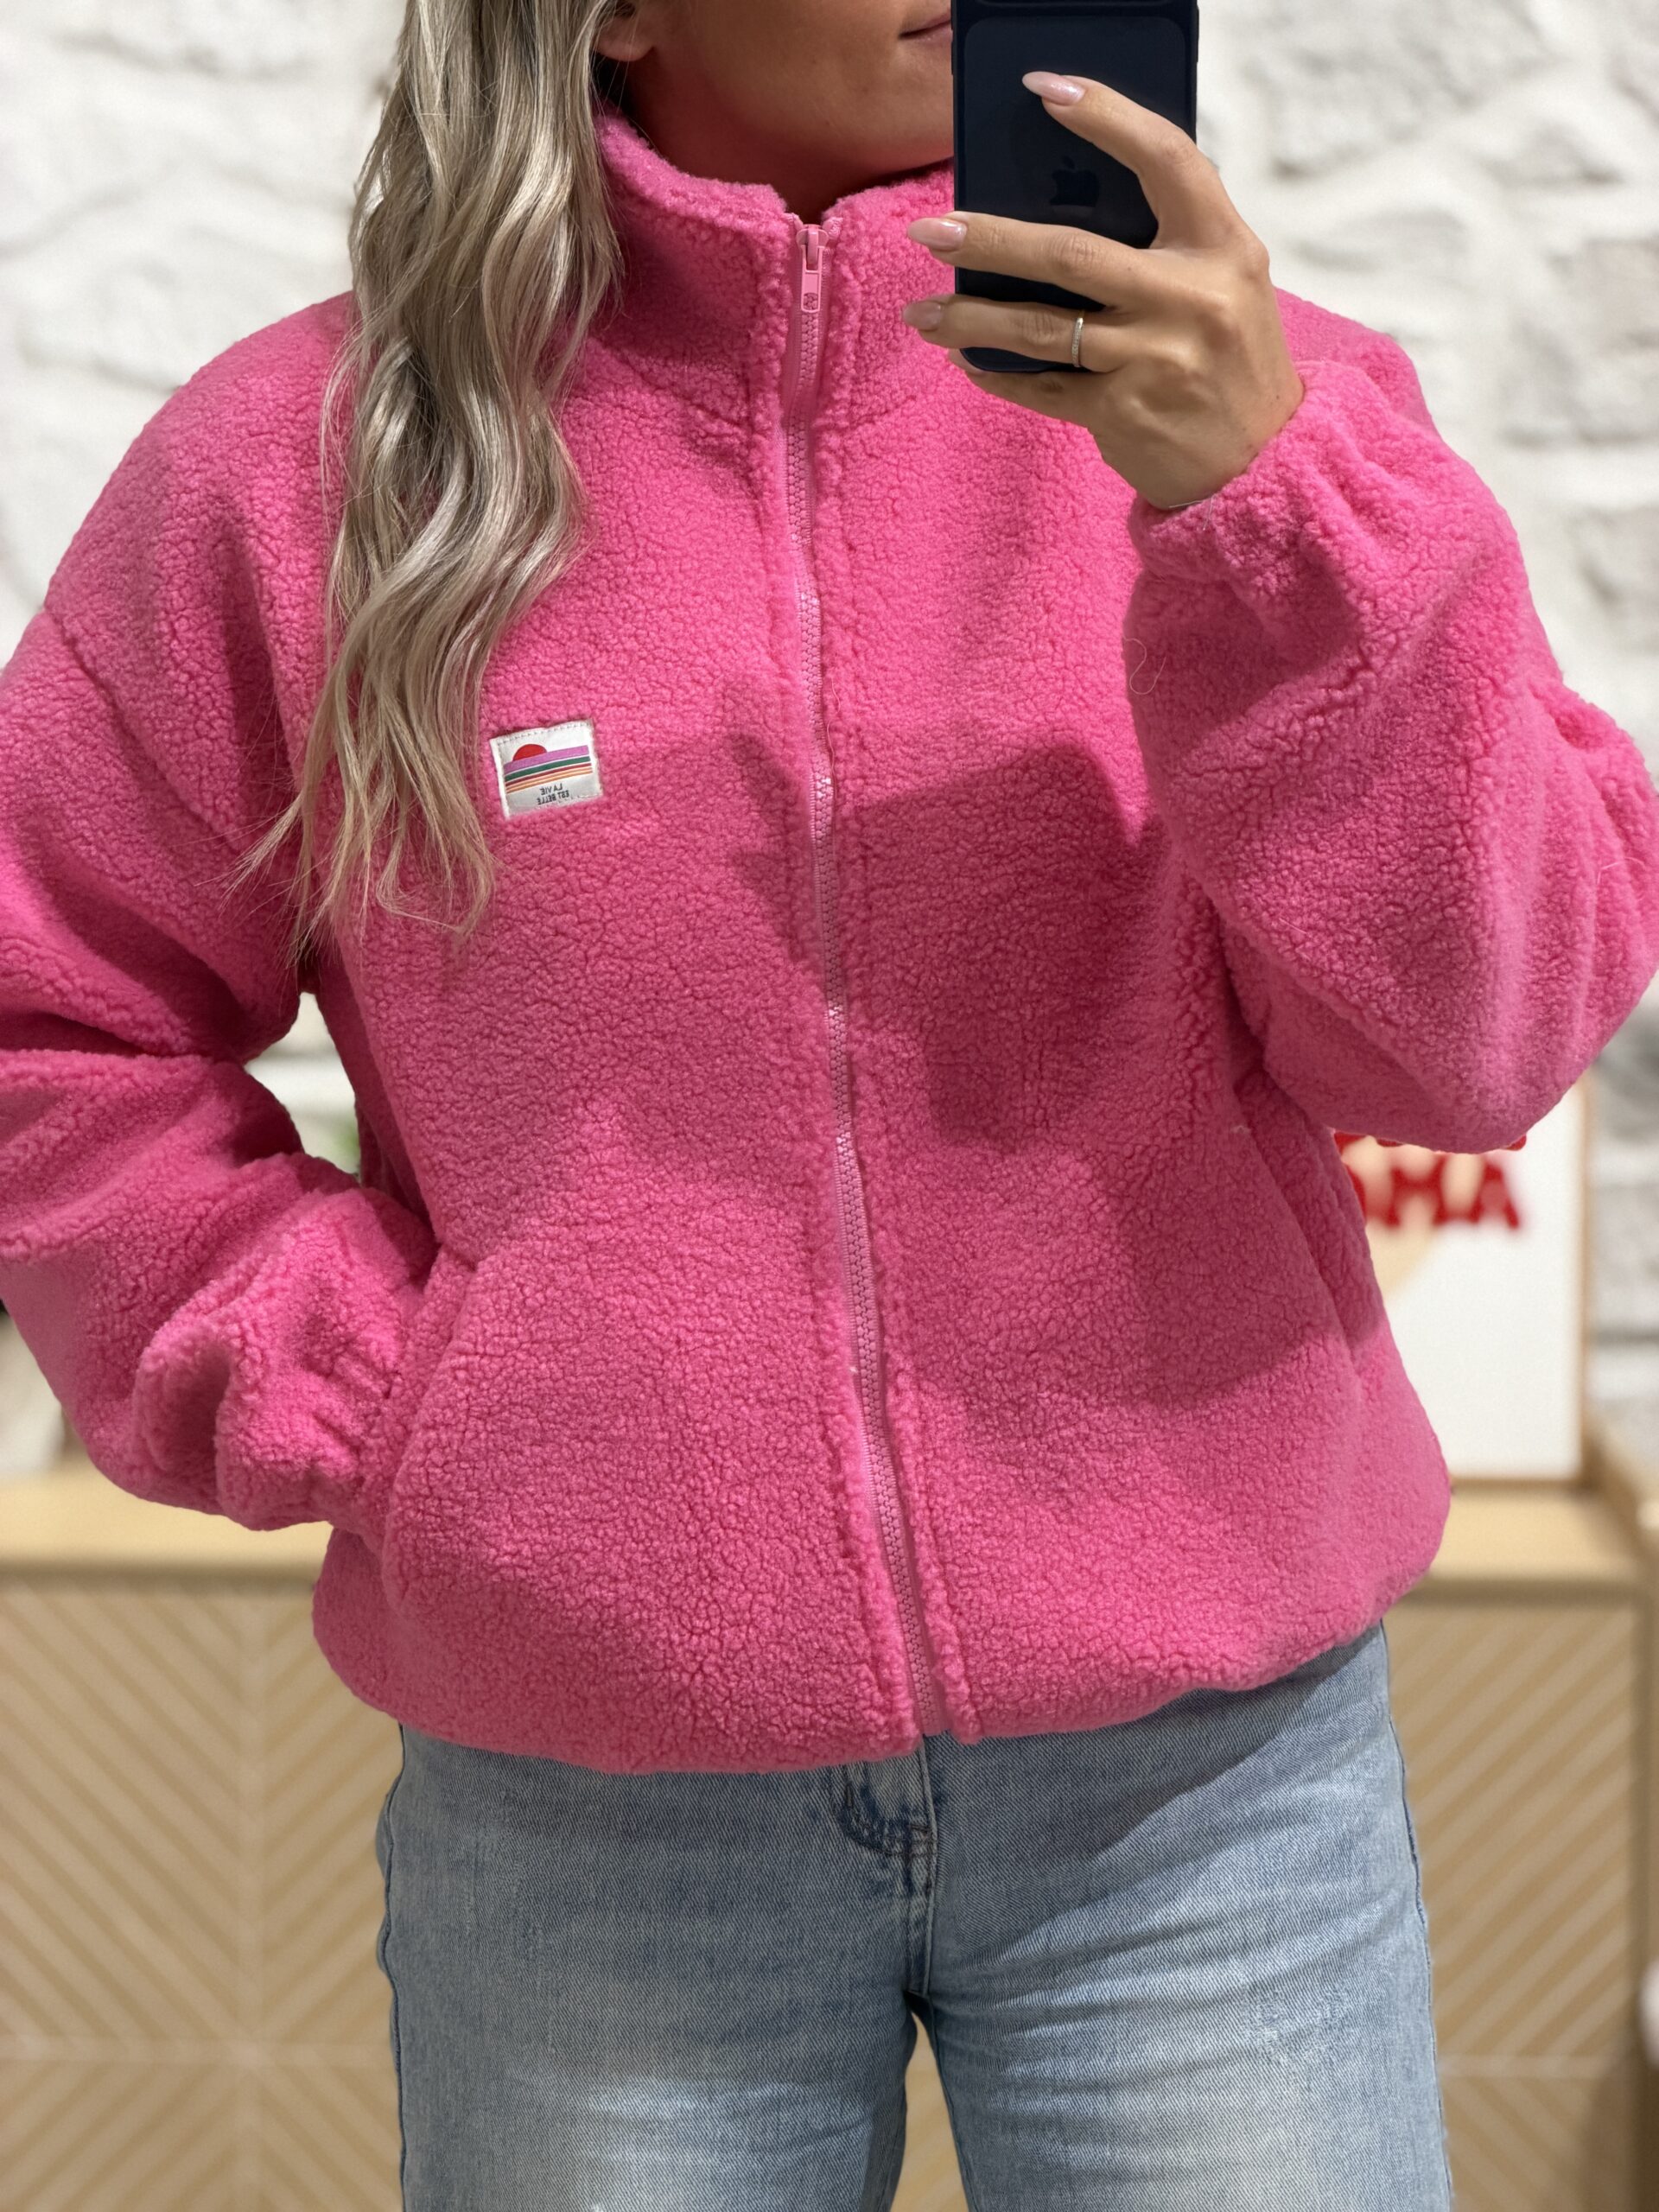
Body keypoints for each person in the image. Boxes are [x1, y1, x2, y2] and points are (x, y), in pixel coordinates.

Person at [3, 1, 1656, 2203]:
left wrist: (1269, 514)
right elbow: (54, 1025)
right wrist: (393, 1404)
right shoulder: (318, 467)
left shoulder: (1258, 413)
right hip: (600, 1821)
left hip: (1206, 1810)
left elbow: (1487, 1037)